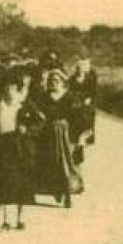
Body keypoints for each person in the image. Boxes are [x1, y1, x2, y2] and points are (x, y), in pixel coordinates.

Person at [0, 70, 42, 231]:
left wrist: (27, 130)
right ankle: (6, 219)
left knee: (23, 182)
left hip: (22, 147)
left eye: (12, 88)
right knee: (6, 182)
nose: (9, 91)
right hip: (3, 146)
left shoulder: (25, 105)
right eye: (6, 88)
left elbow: (40, 122)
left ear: (17, 89)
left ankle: (20, 218)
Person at [33, 69, 85, 208]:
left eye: (56, 81)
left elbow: (78, 117)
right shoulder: (43, 97)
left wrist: (79, 137)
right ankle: (56, 190)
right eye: (50, 81)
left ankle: (67, 194)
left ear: (62, 82)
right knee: (51, 164)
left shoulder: (69, 97)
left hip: (65, 134)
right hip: (48, 134)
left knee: (66, 164)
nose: (53, 83)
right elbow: (36, 113)